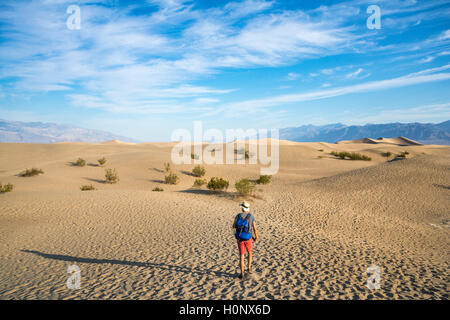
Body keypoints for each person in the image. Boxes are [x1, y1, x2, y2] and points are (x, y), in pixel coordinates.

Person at [232, 201, 258, 279]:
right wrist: (256, 237)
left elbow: (233, 226)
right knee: (249, 252)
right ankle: (249, 268)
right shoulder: (251, 216)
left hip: (240, 238)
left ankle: (242, 273)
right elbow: (254, 228)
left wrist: (236, 234)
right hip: (248, 238)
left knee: (241, 255)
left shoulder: (238, 216)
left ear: (242, 208)